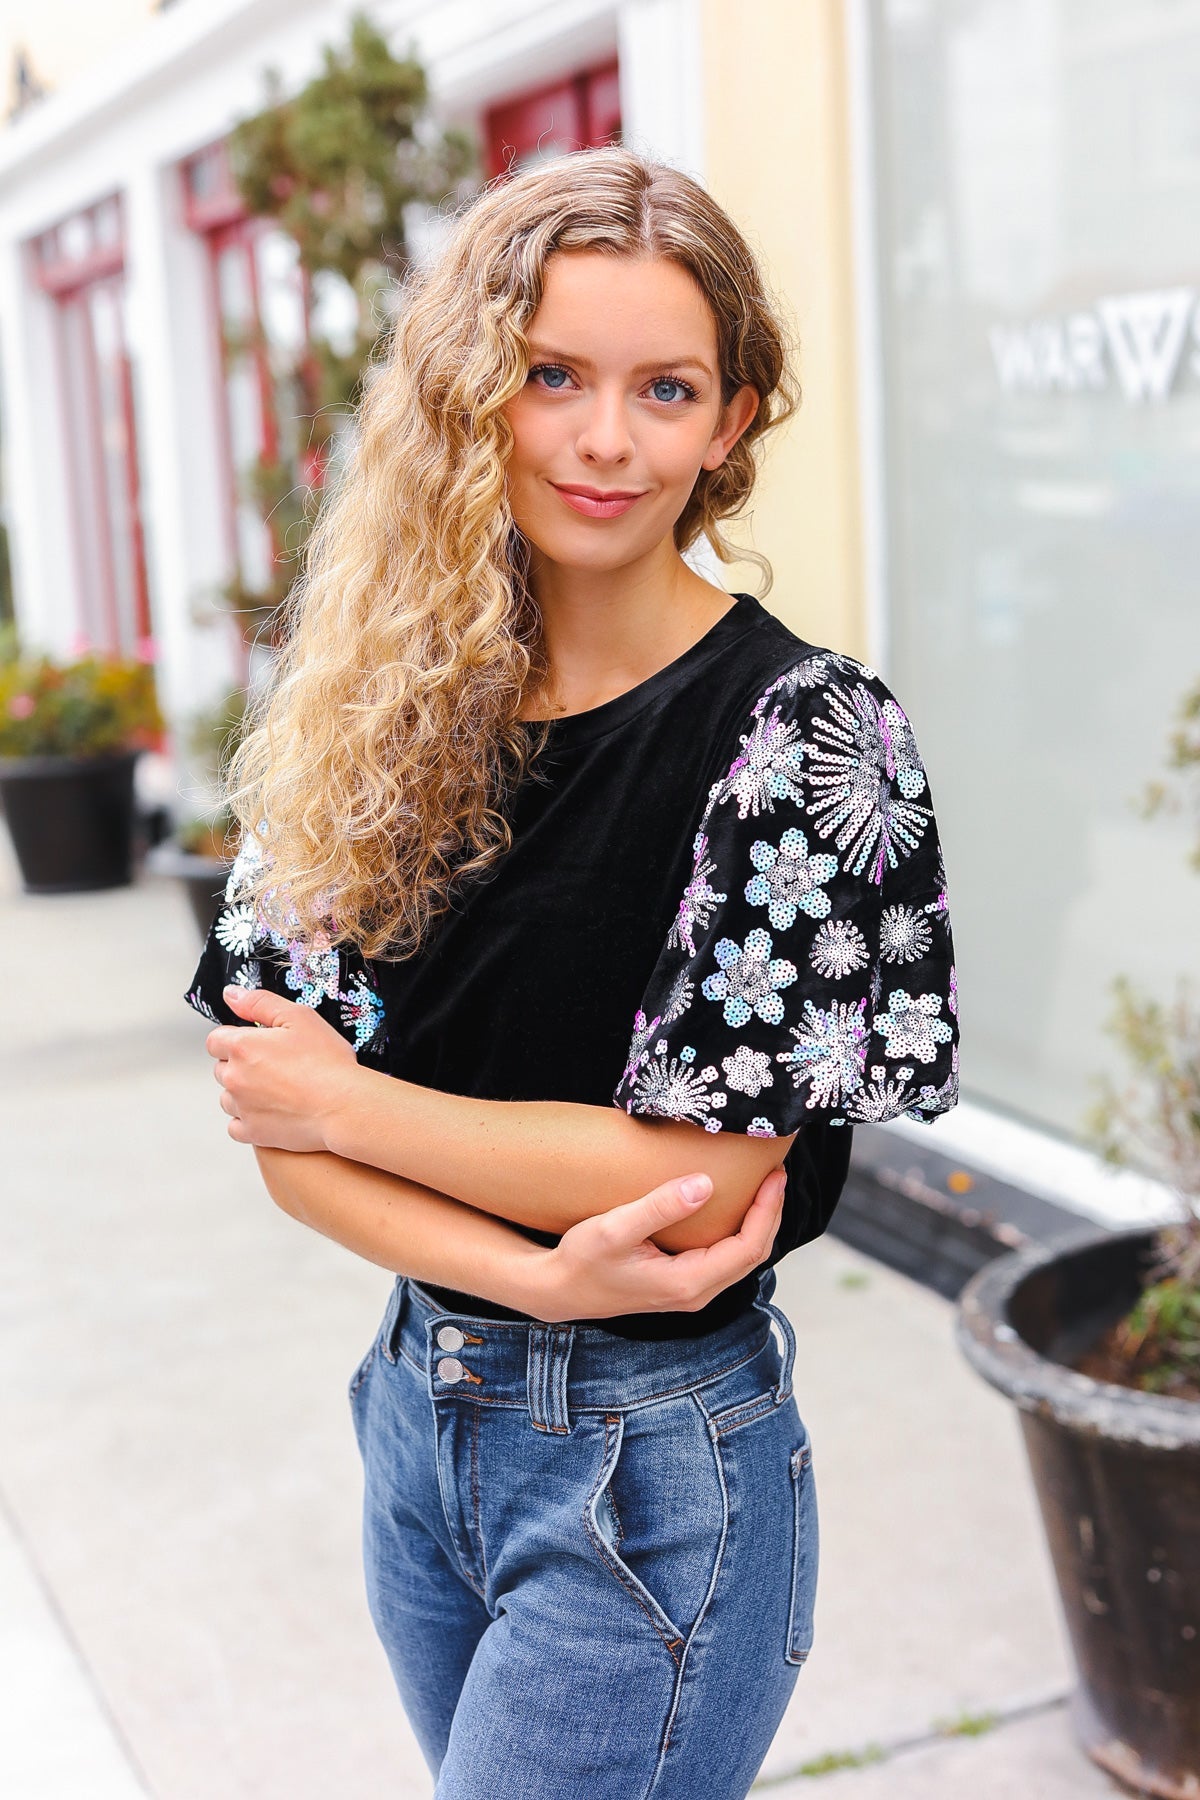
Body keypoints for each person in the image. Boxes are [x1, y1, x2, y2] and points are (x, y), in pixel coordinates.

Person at [186, 147, 959, 1799]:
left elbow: (695, 1183)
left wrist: (352, 1106)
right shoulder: (377, 706)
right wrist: (528, 1274)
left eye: (665, 389)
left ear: (731, 421)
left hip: (650, 1467)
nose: (608, 439)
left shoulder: (804, 735)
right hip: (418, 1421)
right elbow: (274, 1132)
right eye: (552, 377)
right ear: (470, 392)